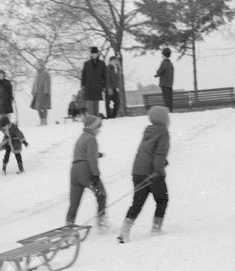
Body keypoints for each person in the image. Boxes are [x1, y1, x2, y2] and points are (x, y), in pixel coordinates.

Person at [117, 106, 170, 243]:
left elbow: (147, 152)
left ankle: (125, 230)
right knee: (162, 200)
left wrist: (162, 162)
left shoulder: (148, 131)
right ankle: (156, 228)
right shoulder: (163, 132)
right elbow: (159, 153)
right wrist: (158, 170)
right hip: (152, 173)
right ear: (163, 119)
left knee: (137, 203)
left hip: (138, 172)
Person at [65, 114, 107, 228]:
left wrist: (98, 154)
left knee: (75, 201)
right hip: (86, 171)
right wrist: (95, 174)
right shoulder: (92, 138)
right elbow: (91, 159)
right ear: (92, 127)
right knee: (101, 194)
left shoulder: (81, 137)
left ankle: (69, 222)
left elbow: (84, 153)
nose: (99, 129)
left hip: (74, 172)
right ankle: (101, 220)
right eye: (98, 126)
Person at [81, 47, 107, 116]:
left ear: (97, 54)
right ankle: (91, 118)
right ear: (91, 54)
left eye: (95, 53)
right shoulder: (87, 64)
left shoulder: (102, 64)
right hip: (88, 87)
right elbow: (83, 75)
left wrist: (104, 86)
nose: (94, 55)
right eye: (92, 53)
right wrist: (83, 85)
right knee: (89, 104)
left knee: (96, 104)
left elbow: (104, 75)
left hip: (98, 86)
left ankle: (95, 118)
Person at [31, 60, 52, 125]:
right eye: (36, 65)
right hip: (37, 93)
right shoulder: (37, 73)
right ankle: (41, 120)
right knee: (38, 107)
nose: (36, 66)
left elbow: (47, 82)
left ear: (41, 65)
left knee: (44, 107)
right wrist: (33, 90)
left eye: (37, 65)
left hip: (44, 93)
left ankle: (45, 121)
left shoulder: (46, 72)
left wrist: (47, 91)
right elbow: (34, 83)